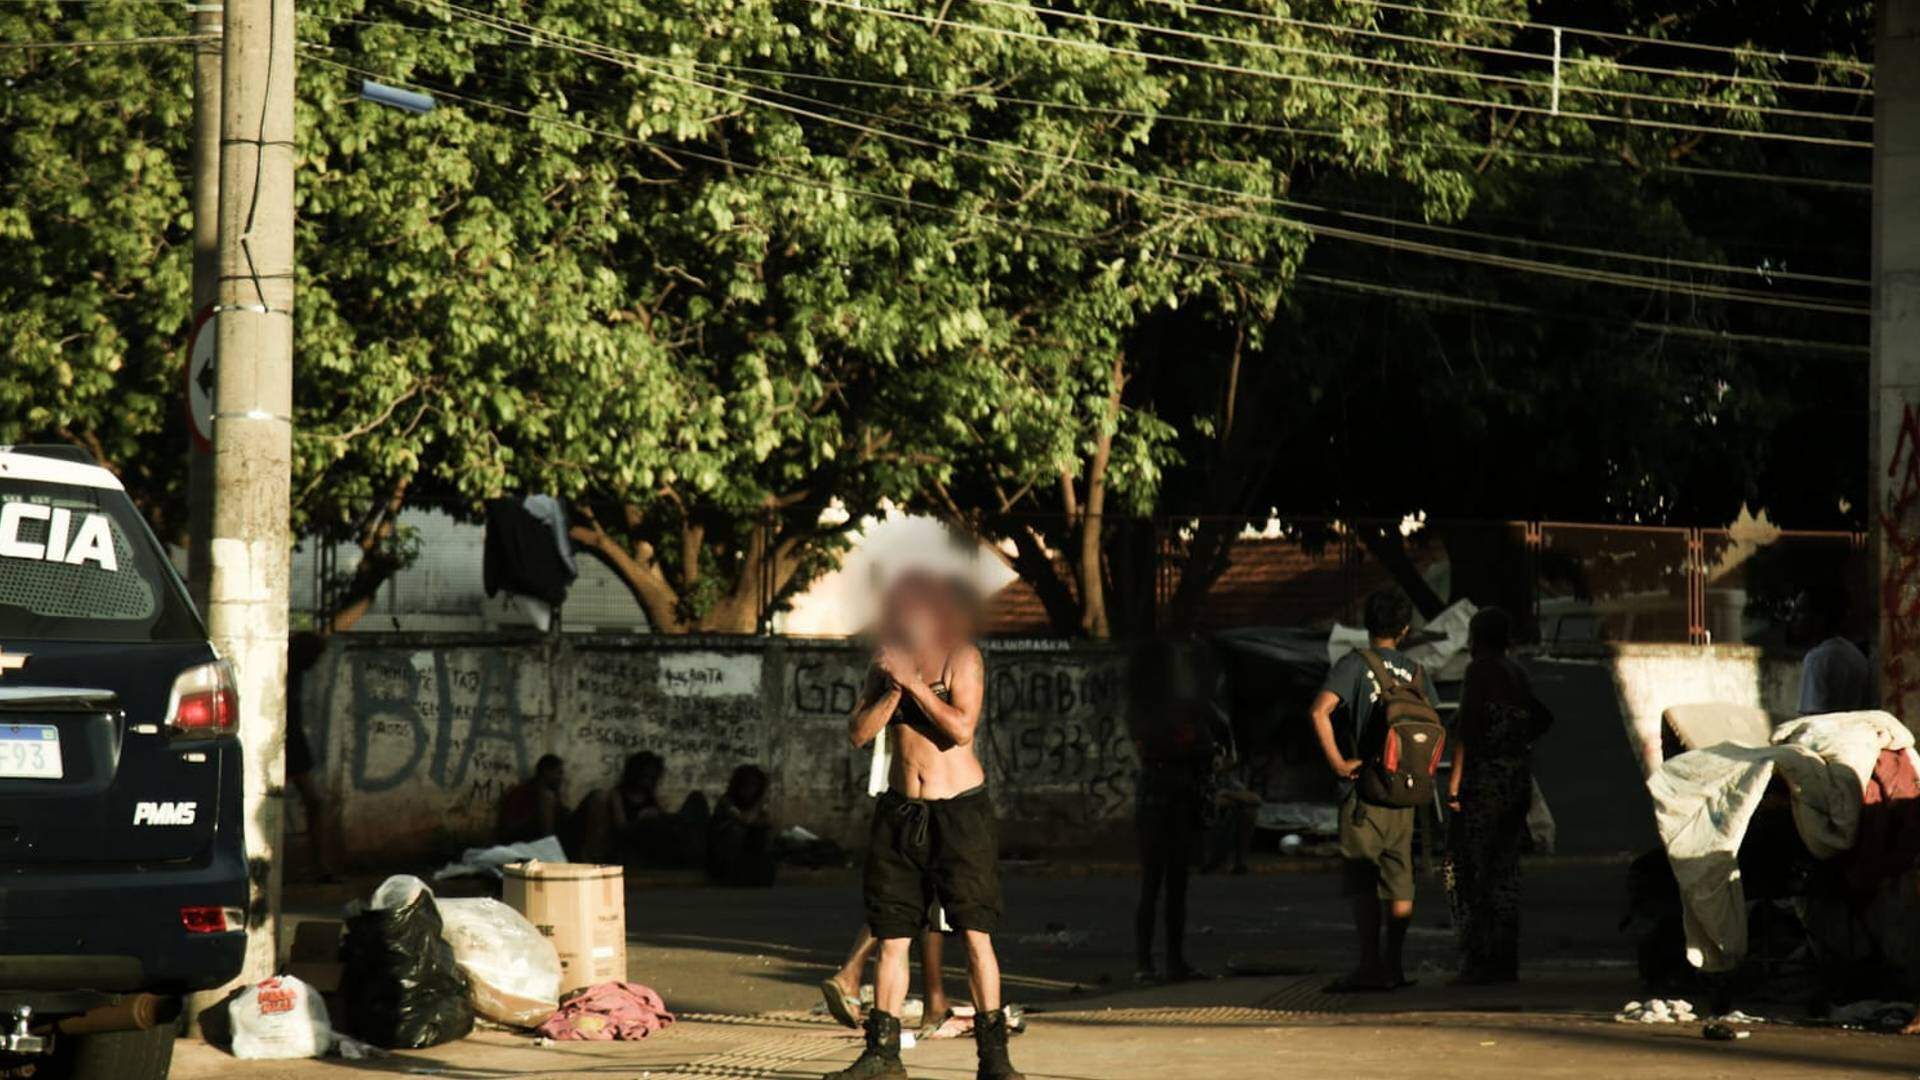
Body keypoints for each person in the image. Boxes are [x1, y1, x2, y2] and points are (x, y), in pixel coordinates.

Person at [826, 573, 1022, 1080]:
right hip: (900, 813)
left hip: (959, 814)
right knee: (893, 935)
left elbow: (960, 729)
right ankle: (883, 1055)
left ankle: (993, 1058)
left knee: (974, 933)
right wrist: (894, 688)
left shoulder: (963, 657)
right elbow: (857, 733)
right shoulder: (885, 664)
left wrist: (915, 684)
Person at [1308, 589, 1437, 993]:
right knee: (1400, 880)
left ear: (1367, 625)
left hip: (1364, 791)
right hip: (1405, 792)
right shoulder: (1416, 673)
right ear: (1404, 629)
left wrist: (1338, 763)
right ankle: (1394, 967)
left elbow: (1318, 711)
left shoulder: (1353, 665)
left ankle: (1369, 967)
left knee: (1363, 880)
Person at [1443, 607, 1551, 985]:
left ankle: (1478, 961)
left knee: (1473, 873)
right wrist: (1514, 742)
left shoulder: (1480, 671)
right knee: (1504, 872)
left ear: (1477, 638)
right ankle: (1504, 961)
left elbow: (1468, 731)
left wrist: (1454, 783)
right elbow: (1542, 718)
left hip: (1483, 781)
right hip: (1514, 780)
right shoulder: (1517, 672)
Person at [1127, 638, 1215, 983]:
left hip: (1169, 797)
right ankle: (1153, 962)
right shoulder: (1160, 709)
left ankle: (1158, 961)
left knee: (1168, 885)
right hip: (1167, 798)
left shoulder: (1170, 708)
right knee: (1163, 885)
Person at [286, 631, 343, 879]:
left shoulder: (295, 672)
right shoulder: (285, 670)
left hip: (293, 741)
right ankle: (318, 867)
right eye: (316, 656)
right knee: (312, 802)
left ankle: (320, 867)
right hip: (282, 740)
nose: (317, 663)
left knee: (315, 802)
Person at [1793, 584, 1873, 715]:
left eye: (1801, 611)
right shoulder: (1855, 654)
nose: (1794, 617)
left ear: (1820, 617)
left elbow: (1812, 720)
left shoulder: (1817, 659)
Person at [707, 764, 777, 886]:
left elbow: (766, 822)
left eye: (754, 785)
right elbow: (745, 819)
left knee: (762, 833)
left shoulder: (754, 805)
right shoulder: (727, 802)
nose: (750, 789)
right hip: (722, 854)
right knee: (736, 830)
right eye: (747, 785)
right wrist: (760, 802)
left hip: (746, 855)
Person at [498, 753, 566, 844]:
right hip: (522, 844)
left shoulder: (552, 795)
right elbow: (509, 828)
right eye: (559, 773)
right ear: (546, 772)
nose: (561, 778)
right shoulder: (522, 793)